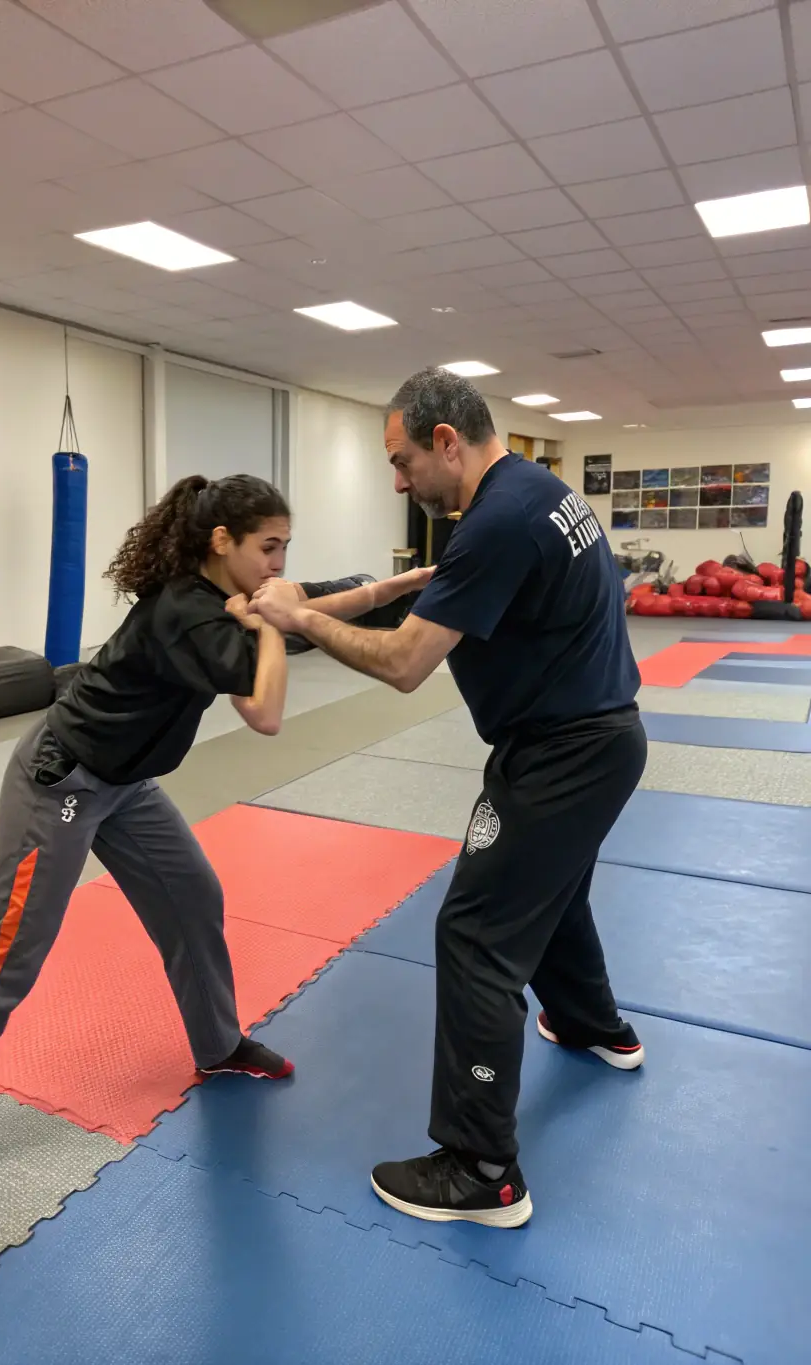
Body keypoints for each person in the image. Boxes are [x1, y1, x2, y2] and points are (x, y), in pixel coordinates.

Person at [0, 472, 431, 1221]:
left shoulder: (229, 596)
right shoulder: (184, 613)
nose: (278, 563)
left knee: (194, 896)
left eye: (285, 547)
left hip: (127, 783)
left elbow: (316, 601)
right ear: (219, 541)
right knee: (7, 954)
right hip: (62, 782)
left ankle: (218, 1042)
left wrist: (411, 582)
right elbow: (264, 711)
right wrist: (271, 623)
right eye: (269, 547)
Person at [250, 369, 647, 1230]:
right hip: (600, 738)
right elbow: (421, 592)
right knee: (551, 890)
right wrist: (315, 600)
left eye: (400, 462)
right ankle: (593, 1024)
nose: (398, 483)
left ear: (444, 441)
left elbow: (403, 665)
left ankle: (481, 1168)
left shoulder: (498, 521)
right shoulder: (533, 491)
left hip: (560, 754)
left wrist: (300, 620)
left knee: (475, 931)